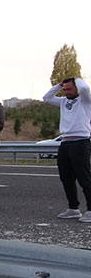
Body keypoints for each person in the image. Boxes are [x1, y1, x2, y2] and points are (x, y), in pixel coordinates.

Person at [42, 77, 91, 223]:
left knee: (84, 177)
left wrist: (78, 79)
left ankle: (90, 209)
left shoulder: (85, 100)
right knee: (66, 177)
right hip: (66, 142)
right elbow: (47, 98)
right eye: (65, 90)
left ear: (76, 88)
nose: (66, 92)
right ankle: (73, 208)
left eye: (69, 89)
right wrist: (59, 85)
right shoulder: (63, 101)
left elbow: (84, 89)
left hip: (81, 141)